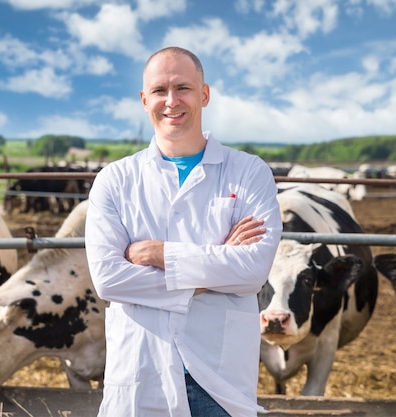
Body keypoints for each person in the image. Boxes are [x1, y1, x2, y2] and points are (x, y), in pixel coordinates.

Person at [85, 46, 282, 417]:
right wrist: (213, 273)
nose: (171, 101)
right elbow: (109, 279)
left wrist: (158, 255)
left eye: (183, 88)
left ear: (204, 94)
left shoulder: (249, 172)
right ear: (144, 100)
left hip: (218, 381)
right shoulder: (115, 179)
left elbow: (253, 270)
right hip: (142, 371)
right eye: (160, 91)